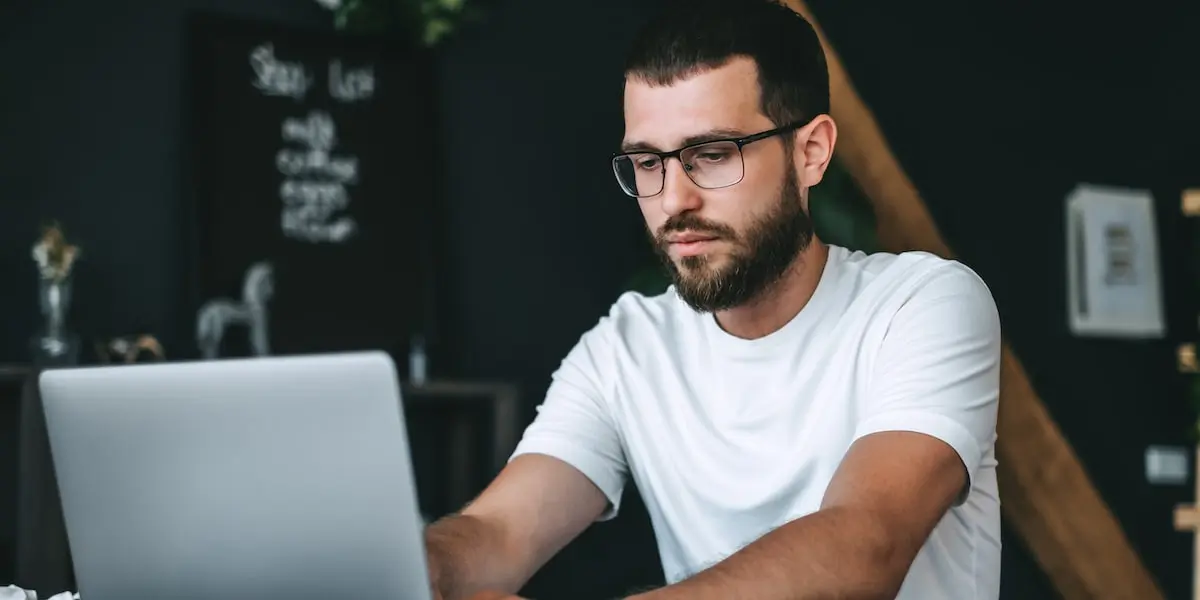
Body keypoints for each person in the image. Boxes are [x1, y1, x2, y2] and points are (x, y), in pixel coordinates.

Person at [424, 0, 1002, 598]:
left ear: (811, 153)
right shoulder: (628, 348)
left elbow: (863, 545)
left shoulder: (921, 306)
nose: (674, 201)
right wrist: (418, 566)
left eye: (712, 155)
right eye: (648, 163)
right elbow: (496, 531)